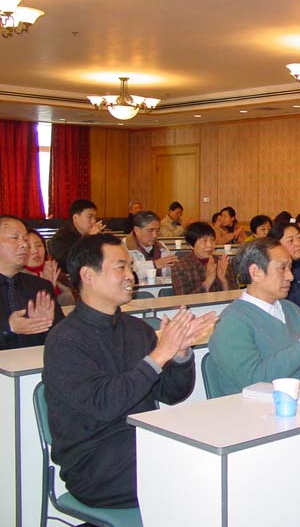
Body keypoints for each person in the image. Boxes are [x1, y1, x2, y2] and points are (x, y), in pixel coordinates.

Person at [43, 233, 216, 508]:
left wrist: (180, 354)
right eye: (120, 267)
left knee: (214, 451)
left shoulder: (137, 329)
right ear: (88, 275)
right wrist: (159, 355)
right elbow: (103, 405)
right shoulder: (65, 340)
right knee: (201, 470)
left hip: (142, 441)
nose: (130, 275)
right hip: (94, 463)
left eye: (130, 267)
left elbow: (172, 394)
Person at [207, 238, 300, 396]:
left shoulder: (290, 309)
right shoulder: (231, 323)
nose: (290, 276)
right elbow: (253, 381)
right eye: (282, 268)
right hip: (259, 406)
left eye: (290, 268)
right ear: (256, 272)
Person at [1, 216, 64, 350]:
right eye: (15, 238)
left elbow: (63, 336)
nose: (24, 245)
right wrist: (8, 327)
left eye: (25, 239)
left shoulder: (41, 286)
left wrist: (48, 325)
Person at [171, 221, 237, 295]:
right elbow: (182, 299)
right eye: (204, 241)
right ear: (191, 245)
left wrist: (223, 280)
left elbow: (235, 296)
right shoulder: (180, 267)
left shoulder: (221, 262)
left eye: (212, 240)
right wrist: (207, 282)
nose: (210, 245)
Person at [49, 199, 106, 271]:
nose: (94, 221)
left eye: (95, 217)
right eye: (89, 217)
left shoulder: (95, 234)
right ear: (75, 218)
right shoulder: (60, 238)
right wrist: (88, 238)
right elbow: (70, 263)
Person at [23, 229, 75, 306]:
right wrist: (48, 288)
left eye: (39, 245)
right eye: (29, 247)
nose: (35, 251)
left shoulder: (55, 272)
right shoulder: (18, 280)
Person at [125, 211, 177, 281]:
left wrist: (175, 267)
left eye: (157, 231)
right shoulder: (123, 248)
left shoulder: (162, 247)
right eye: (150, 230)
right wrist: (154, 264)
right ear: (137, 230)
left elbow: (169, 274)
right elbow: (126, 272)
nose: (155, 235)